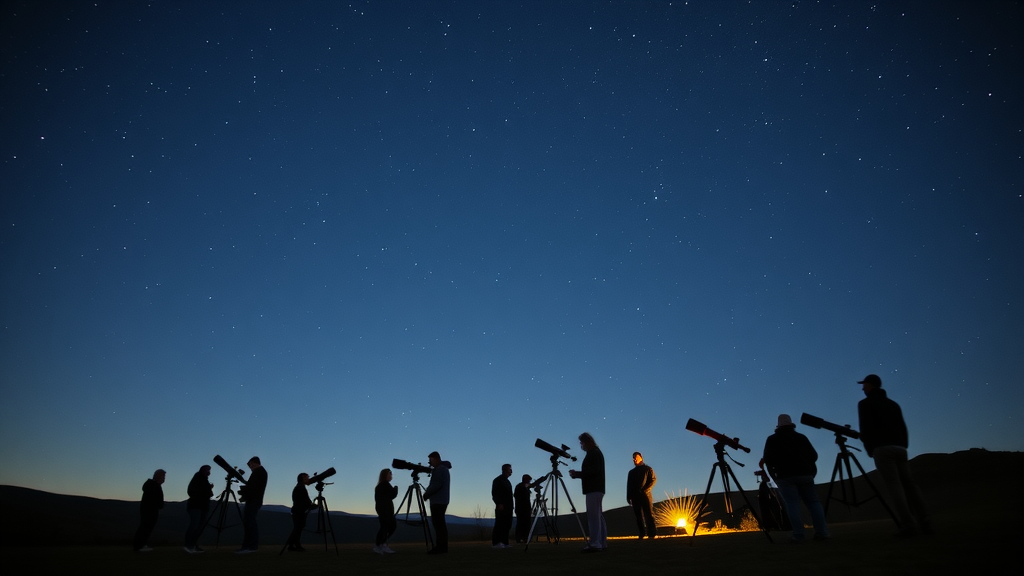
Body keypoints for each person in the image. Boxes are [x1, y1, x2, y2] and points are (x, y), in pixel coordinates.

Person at [857, 374, 931, 536]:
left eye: (864, 385)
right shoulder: (893, 404)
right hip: (900, 448)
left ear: (870, 385)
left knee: (894, 487)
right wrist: (903, 445)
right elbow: (902, 426)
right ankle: (925, 521)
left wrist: (870, 449)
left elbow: (866, 428)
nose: (863, 388)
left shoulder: (865, 404)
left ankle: (908, 525)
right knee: (909, 485)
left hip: (882, 449)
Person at [761, 414, 829, 542]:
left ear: (778, 425)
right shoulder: (801, 437)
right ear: (791, 424)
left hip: (785, 476)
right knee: (813, 503)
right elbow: (813, 456)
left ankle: (798, 535)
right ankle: (822, 533)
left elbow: (768, 459)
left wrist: (774, 475)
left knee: (792, 505)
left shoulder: (772, 439)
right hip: (805, 474)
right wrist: (810, 470)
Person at [569, 432, 607, 552]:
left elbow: (594, 470)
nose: (581, 445)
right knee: (598, 516)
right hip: (596, 488)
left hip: (594, 488)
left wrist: (578, 474)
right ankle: (602, 542)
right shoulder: (595, 453)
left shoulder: (594, 453)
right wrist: (579, 475)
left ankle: (595, 543)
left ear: (586, 442)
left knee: (593, 517)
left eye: (582, 443)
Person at [422, 451, 451, 554]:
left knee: (438, 525)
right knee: (440, 524)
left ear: (436, 459)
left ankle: (440, 548)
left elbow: (436, 484)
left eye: (431, 460)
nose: (430, 463)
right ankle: (442, 547)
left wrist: (426, 494)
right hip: (442, 500)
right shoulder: (444, 469)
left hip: (438, 501)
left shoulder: (439, 470)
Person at [238, 456, 267, 553]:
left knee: (250, 523)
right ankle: (249, 545)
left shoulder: (259, 472)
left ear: (254, 463)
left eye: (250, 464)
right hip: (254, 500)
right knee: (249, 522)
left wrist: (244, 492)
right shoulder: (260, 472)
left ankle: (250, 546)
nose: (249, 466)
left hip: (253, 500)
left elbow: (253, 487)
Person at [626, 451, 657, 540]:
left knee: (649, 514)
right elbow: (629, 485)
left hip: (646, 496)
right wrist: (628, 496)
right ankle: (642, 533)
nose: (634, 459)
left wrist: (646, 490)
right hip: (635, 496)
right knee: (638, 516)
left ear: (641, 457)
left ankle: (651, 533)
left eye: (636, 457)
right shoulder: (631, 472)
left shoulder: (648, 469)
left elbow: (653, 480)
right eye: (633, 458)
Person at [133, 469, 166, 551]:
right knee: (145, 527)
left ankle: (141, 544)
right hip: (149, 509)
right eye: (163, 476)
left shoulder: (153, 485)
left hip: (150, 509)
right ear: (158, 476)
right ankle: (139, 545)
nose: (164, 479)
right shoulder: (153, 485)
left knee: (146, 527)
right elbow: (153, 498)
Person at [184, 465, 213, 553]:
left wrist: (208, 489)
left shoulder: (202, 479)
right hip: (196, 506)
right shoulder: (199, 479)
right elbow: (193, 491)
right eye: (208, 470)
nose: (209, 472)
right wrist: (208, 489)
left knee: (199, 527)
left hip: (202, 506)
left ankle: (193, 545)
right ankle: (189, 545)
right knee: (194, 526)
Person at [286, 472, 315, 551]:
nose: (308, 479)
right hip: (299, 511)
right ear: (303, 478)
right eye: (307, 477)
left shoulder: (299, 487)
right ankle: (294, 545)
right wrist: (312, 505)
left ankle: (292, 545)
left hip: (297, 511)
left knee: (298, 528)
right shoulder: (300, 488)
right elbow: (304, 501)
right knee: (298, 528)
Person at [373, 468, 398, 554]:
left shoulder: (381, 485)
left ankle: (382, 544)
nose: (391, 476)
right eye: (389, 474)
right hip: (385, 510)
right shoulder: (385, 484)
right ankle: (379, 545)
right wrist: (396, 488)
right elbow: (393, 494)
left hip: (383, 509)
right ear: (385, 475)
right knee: (387, 527)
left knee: (387, 527)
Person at [491, 463, 514, 548]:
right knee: (500, 524)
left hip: (508, 507)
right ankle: (496, 542)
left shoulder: (507, 481)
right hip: (502, 506)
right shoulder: (498, 480)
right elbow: (495, 493)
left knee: (507, 525)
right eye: (509, 469)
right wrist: (499, 503)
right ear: (505, 470)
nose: (511, 471)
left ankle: (505, 542)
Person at [514, 474, 533, 544]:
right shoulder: (520, 487)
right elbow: (519, 497)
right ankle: (520, 538)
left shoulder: (523, 487)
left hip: (525, 509)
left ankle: (525, 538)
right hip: (521, 509)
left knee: (527, 524)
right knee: (521, 524)